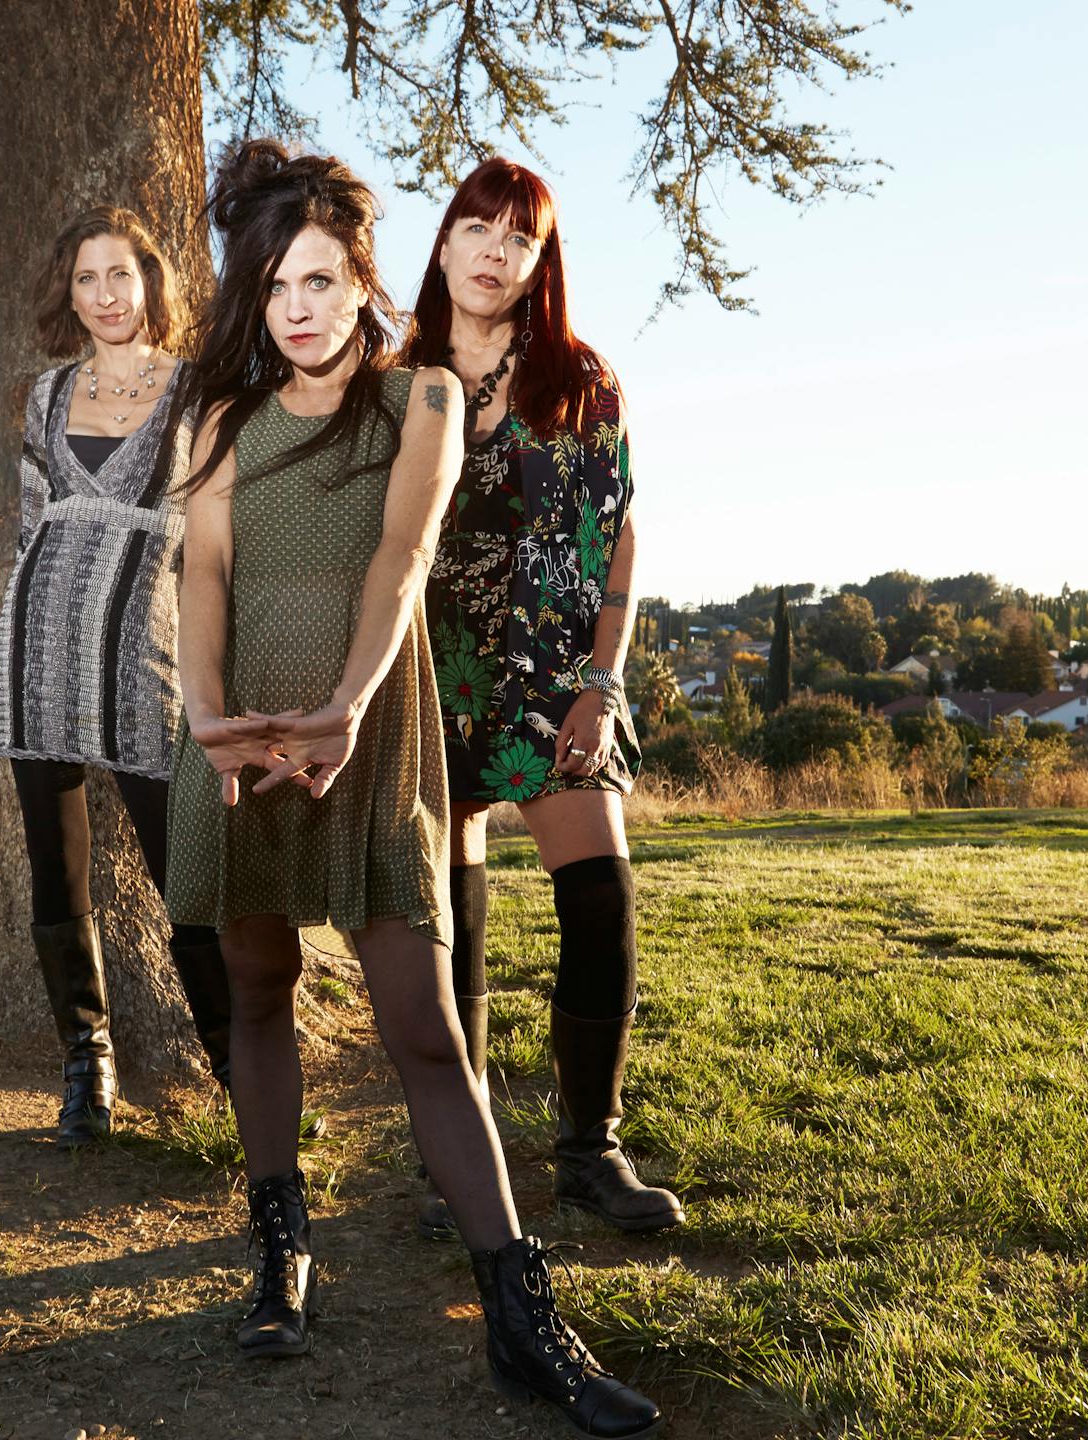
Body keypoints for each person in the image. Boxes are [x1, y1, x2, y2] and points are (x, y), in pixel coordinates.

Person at [167, 139, 660, 1439]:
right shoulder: (216, 414)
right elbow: (203, 577)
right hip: (232, 731)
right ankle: (281, 1250)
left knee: (424, 1028)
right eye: (275, 283)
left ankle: (522, 1320)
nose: (300, 307)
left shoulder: (423, 403)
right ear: (250, 294)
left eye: (323, 279)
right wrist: (208, 718)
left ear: (363, 278)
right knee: (260, 993)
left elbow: (399, 562)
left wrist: (344, 704)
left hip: (370, 727)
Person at [401, 158, 683, 1236]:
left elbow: (618, 539)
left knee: (601, 897)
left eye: (517, 239)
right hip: (430, 676)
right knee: (452, 925)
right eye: (475, 227)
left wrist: (602, 687)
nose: (492, 251)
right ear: (442, 243)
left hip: (557, 679)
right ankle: (458, 1170)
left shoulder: (581, 379)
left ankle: (589, 1153)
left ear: (537, 262)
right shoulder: (394, 374)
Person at [0, 207, 232, 1147]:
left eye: (119, 275)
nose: (105, 296)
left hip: (143, 651)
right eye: (86, 280)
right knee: (58, 865)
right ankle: (86, 1063)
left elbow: (213, 534)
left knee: (186, 870)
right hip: (36, 645)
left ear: (150, 282)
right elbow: (32, 520)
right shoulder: (43, 395)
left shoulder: (200, 390)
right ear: (69, 294)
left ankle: (239, 1063)